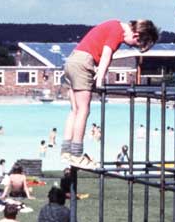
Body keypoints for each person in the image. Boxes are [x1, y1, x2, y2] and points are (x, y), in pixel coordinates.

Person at [61, 19, 159, 166]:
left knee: (74, 110)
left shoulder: (113, 25)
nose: (130, 46)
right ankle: (76, 154)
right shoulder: (117, 30)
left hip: (72, 60)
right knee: (83, 110)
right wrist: (100, 79)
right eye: (135, 45)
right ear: (137, 35)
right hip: (83, 62)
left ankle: (66, 151)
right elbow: (107, 54)